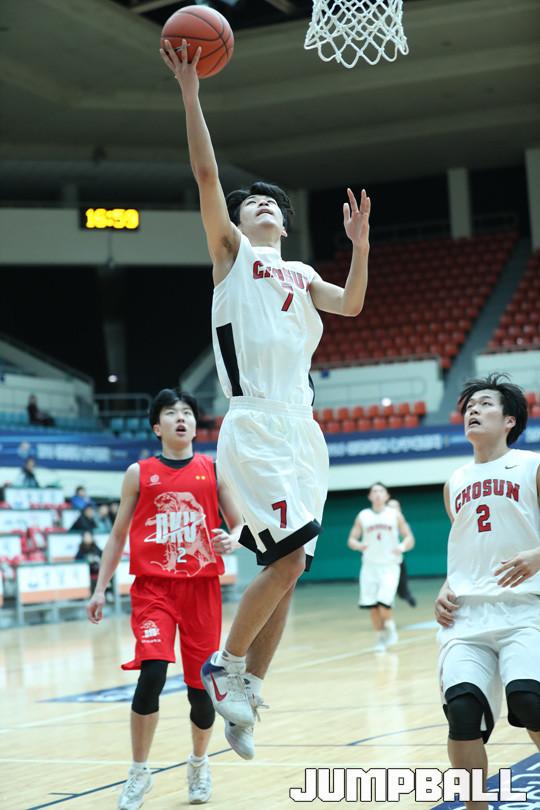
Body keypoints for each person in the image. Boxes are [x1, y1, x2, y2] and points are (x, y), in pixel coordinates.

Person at [159, 39, 371, 757]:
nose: (261, 206)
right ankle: (224, 666)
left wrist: (360, 247)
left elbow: (351, 304)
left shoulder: (303, 272)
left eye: (270, 204)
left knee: (294, 568)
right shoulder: (232, 258)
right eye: (251, 203)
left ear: (284, 222)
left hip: (302, 430)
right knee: (284, 562)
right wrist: (191, 93)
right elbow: (206, 173)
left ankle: (246, 691)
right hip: (253, 424)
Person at [87, 389, 242, 808]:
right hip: (154, 589)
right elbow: (117, 535)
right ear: (157, 427)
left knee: (199, 690)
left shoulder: (212, 469)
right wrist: (100, 589)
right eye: (171, 413)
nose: (181, 418)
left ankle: (199, 763)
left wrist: (233, 538)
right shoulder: (139, 473)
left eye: (187, 412)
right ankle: (139, 772)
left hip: (201, 590)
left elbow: (239, 522)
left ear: (194, 425)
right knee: (152, 674)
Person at [435, 374, 540, 810]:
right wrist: (447, 586)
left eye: (484, 404)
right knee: (462, 713)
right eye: (469, 406)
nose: (473, 411)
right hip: (466, 618)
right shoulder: (455, 481)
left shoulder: (533, 466)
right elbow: (468, 551)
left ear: (510, 419)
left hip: (525, 610)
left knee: (531, 702)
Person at [347, 483, 414, 652]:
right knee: (372, 606)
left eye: (381, 491)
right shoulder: (363, 516)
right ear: (369, 496)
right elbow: (351, 540)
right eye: (374, 491)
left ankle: (390, 627)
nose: (377, 494)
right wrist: (358, 545)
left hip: (390, 566)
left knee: (384, 602)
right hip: (369, 567)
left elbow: (409, 538)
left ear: (386, 496)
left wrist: (401, 547)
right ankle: (379, 638)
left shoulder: (394, 515)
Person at [388, 498, 417, 607]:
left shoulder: (403, 525)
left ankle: (407, 596)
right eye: (390, 507)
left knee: (402, 585)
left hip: (397, 559)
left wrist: (401, 547)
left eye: (395, 507)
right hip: (383, 561)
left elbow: (410, 541)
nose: (393, 510)